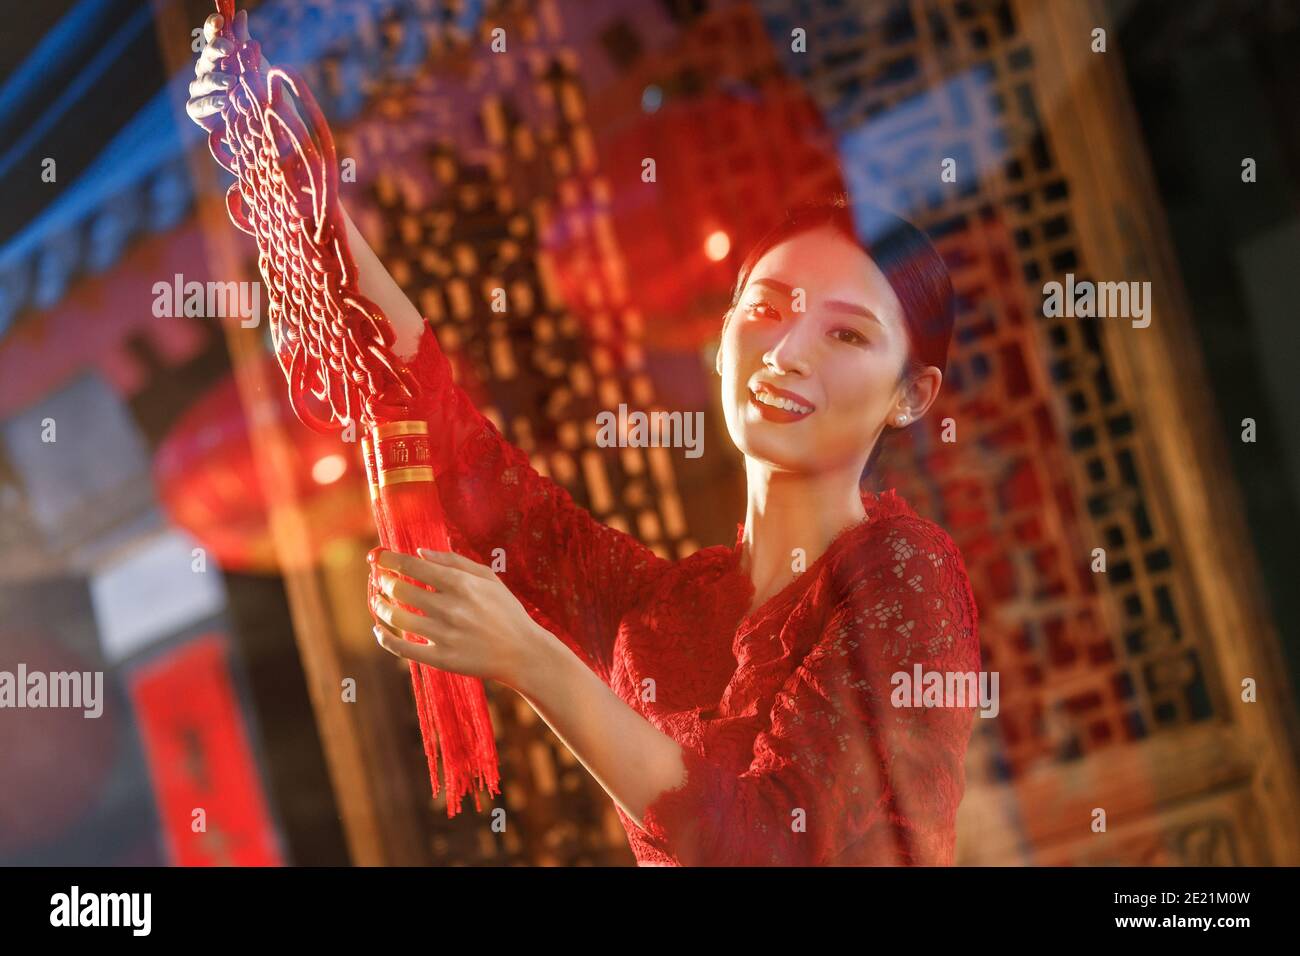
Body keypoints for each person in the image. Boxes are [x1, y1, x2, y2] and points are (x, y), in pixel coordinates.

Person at [188, 10, 982, 866]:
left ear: (911, 395)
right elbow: (462, 460)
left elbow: (766, 842)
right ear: (723, 338)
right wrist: (297, 188)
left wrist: (534, 661)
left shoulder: (905, 572)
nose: (787, 354)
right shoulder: (664, 612)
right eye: (768, 310)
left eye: (847, 335)